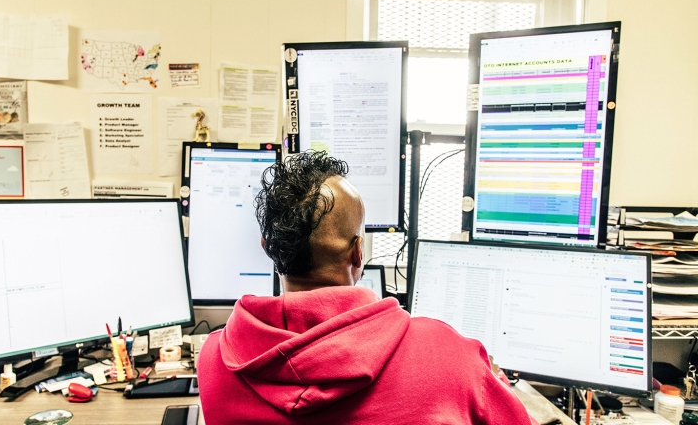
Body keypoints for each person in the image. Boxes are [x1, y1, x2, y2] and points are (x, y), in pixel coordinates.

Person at [197, 151, 536, 424]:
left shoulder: (215, 359)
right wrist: (491, 380)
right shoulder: (453, 356)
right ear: (358, 252)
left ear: (268, 247)